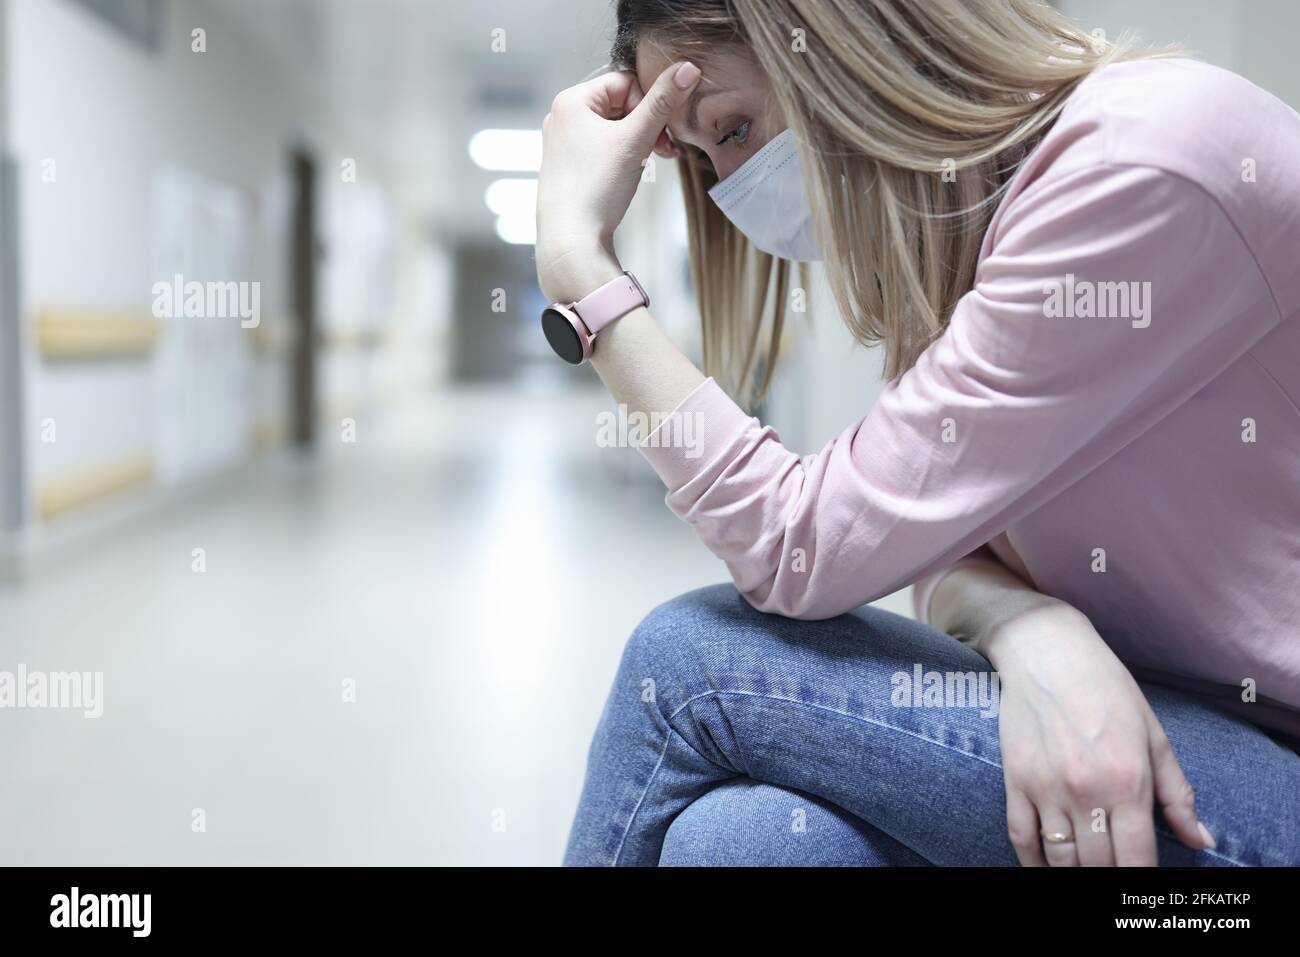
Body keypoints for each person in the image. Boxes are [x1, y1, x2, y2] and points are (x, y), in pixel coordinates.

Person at [535, 0, 1300, 866]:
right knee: (744, 845)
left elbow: (802, 544)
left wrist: (580, 268)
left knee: (684, 666)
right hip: (1183, 730)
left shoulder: (1142, 168)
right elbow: (942, 546)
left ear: (849, 49)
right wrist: (1028, 625)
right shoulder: (977, 248)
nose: (730, 185)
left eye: (736, 128)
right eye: (710, 156)